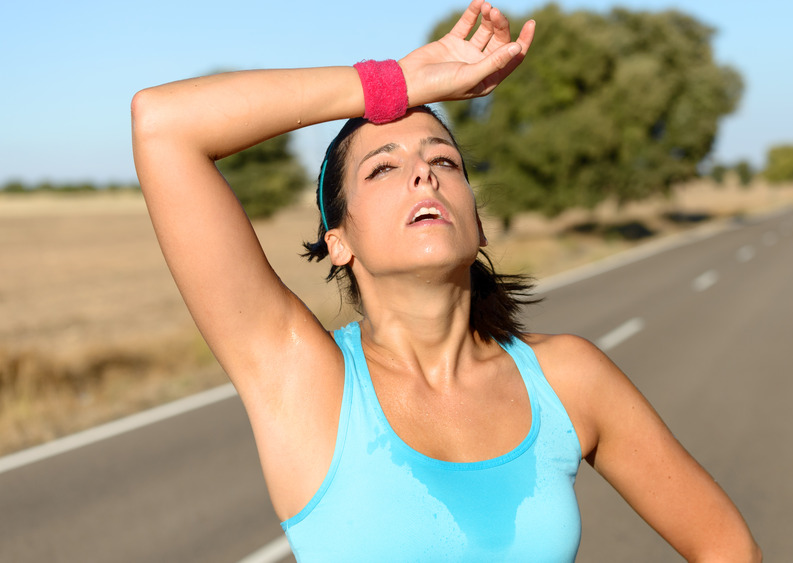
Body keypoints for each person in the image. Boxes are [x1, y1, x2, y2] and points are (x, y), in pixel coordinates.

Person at [131, 1, 761, 561]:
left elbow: (725, 545)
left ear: (478, 225)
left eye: (444, 160)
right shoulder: (306, 380)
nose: (423, 176)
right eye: (383, 169)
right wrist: (397, 83)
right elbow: (164, 124)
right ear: (338, 240)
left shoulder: (569, 379)